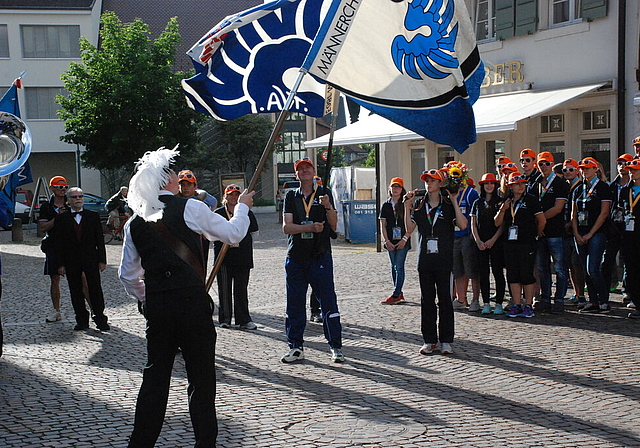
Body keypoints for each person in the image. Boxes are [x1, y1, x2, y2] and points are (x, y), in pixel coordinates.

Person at [119, 147, 253, 448]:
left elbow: (127, 275)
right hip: (192, 305)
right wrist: (242, 206)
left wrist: (148, 297)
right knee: (201, 380)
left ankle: (140, 444)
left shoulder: (134, 222)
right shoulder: (191, 208)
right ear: (167, 181)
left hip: (158, 308)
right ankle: (205, 443)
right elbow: (233, 235)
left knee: (155, 380)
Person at [281, 157, 343, 363]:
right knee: (295, 304)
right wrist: (308, 228)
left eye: (308, 168)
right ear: (296, 174)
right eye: (301, 169)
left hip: (320, 255)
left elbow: (333, 225)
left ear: (314, 171)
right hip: (296, 257)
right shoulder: (291, 196)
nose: (305, 171)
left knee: (328, 302)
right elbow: (287, 227)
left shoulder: (325, 194)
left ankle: (335, 346)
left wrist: (327, 207)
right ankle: (295, 346)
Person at [404, 169, 466, 355]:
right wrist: (406, 208)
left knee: (445, 299)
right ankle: (429, 340)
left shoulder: (447, 205)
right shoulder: (419, 204)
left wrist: (455, 200)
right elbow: (410, 228)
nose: (428, 183)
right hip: (425, 260)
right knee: (427, 300)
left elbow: (463, 225)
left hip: (444, 259)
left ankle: (446, 340)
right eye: (426, 180)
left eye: (433, 180)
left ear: (440, 184)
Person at [54, 187, 110, 331]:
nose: (78, 199)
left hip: (91, 259)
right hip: (71, 261)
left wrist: (102, 260)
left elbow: (99, 240)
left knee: (95, 289)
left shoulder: (93, 216)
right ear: (68, 200)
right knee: (75, 291)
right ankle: (81, 320)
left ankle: (100, 318)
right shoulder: (61, 219)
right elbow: (59, 243)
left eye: (80, 196)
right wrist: (60, 264)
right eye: (74, 197)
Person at [495, 172, 546, 318]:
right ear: (510, 186)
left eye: (523, 183)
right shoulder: (507, 201)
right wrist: (503, 209)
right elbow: (497, 222)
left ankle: (528, 305)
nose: (520, 186)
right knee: (512, 274)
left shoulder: (531, 200)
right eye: (517, 184)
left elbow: (541, 220)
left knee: (527, 274)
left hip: (527, 242)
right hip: (509, 243)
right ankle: (516, 304)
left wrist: (536, 234)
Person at [214, 184, 259, 330]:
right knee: (224, 289)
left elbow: (254, 233)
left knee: (241, 290)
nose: (233, 198)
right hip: (224, 258)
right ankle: (225, 318)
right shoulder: (219, 213)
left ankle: (243, 319)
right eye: (230, 195)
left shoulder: (247, 213)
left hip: (242, 257)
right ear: (225, 197)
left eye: (236, 195)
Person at [572, 157, 613, 314]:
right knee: (584, 268)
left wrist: (590, 233)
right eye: (582, 168)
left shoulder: (603, 187)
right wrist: (576, 233)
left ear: (596, 169)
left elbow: (604, 213)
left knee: (593, 268)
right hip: (580, 233)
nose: (584, 171)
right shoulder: (578, 188)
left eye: (587, 168)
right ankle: (593, 301)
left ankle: (604, 301)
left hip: (597, 233)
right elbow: (573, 214)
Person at [533, 152, 569, 313]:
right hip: (540, 233)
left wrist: (541, 219)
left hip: (555, 232)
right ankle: (545, 299)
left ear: (552, 164)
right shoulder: (536, 182)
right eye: (541, 164)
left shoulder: (560, 183)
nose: (544, 167)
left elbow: (558, 208)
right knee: (542, 268)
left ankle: (559, 300)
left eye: (547, 164)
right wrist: (538, 224)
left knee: (560, 268)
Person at [470, 173, 506, 314]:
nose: (489, 186)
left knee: (497, 272)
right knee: (483, 273)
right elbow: (473, 224)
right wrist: (478, 241)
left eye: (491, 183)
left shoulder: (500, 202)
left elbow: (502, 225)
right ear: (482, 186)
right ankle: (485, 303)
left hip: (496, 242)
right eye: (486, 183)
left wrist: (493, 240)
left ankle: (498, 304)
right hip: (480, 243)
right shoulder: (477, 203)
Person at [38, 176, 69, 323]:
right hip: (53, 246)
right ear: (52, 188)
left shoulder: (70, 203)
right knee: (55, 279)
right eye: (59, 187)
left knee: (82, 278)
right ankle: (56, 311)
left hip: (71, 246)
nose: (63, 190)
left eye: (65, 187)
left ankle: (93, 310)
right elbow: (43, 227)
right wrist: (57, 218)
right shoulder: (46, 206)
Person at [602, 154, 632, 297]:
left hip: (629, 227)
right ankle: (605, 291)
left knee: (627, 260)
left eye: (625, 164)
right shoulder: (611, 186)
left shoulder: (634, 186)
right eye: (619, 164)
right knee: (607, 259)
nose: (622, 167)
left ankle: (627, 290)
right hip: (613, 227)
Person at [450, 168, 480, 311]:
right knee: (458, 270)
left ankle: (475, 299)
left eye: (457, 177)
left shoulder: (471, 193)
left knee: (472, 269)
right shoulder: (450, 193)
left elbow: (475, 216)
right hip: (454, 237)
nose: (455, 180)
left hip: (467, 236)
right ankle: (461, 298)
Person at [379, 177, 411, 304]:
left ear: (402, 189)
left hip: (403, 240)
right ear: (390, 189)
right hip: (391, 240)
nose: (395, 189)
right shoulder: (386, 205)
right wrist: (386, 241)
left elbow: (411, 223)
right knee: (393, 267)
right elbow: (383, 225)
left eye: (398, 186)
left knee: (399, 266)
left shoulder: (406, 204)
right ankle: (399, 292)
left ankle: (396, 294)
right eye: (393, 186)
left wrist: (405, 238)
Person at [562, 158, 587, 307]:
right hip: (566, 232)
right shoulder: (564, 186)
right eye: (565, 170)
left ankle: (583, 295)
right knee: (571, 264)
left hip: (579, 230)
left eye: (571, 169)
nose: (568, 172)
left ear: (577, 171)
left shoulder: (581, 186)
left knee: (579, 264)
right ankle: (577, 294)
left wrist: (572, 224)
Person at [617, 157, 640, 318]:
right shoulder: (626, 190)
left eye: (635, 170)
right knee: (632, 271)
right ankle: (638, 304)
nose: (632, 173)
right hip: (628, 237)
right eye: (630, 170)